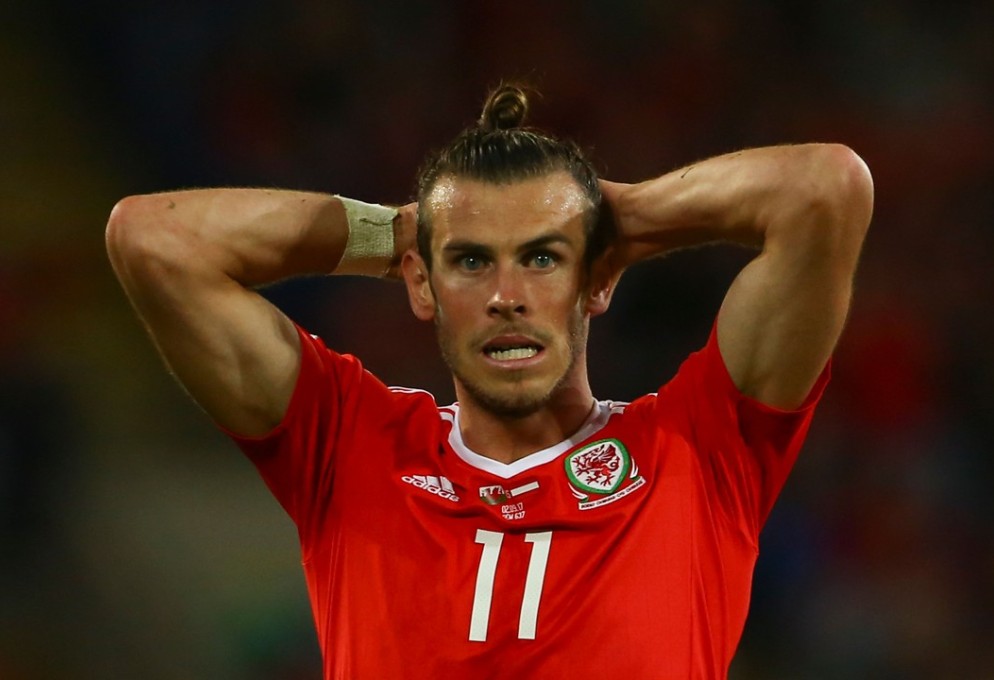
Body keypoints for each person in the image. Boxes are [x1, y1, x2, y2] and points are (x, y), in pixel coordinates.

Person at [106, 84, 873, 678]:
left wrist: (624, 217)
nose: (508, 295)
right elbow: (153, 238)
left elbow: (824, 188)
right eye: (471, 260)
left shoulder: (697, 452)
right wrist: (396, 233)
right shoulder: (347, 445)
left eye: (542, 257)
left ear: (598, 278)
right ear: (421, 282)